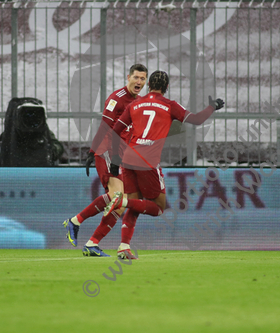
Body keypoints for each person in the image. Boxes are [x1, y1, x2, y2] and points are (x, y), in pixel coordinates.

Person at [103, 70, 224, 260]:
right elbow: (197, 120)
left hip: (128, 158)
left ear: (149, 85)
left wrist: (115, 162)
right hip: (148, 161)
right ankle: (121, 201)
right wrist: (212, 106)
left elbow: (116, 130)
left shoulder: (135, 104)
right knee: (158, 208)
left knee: (136, 205)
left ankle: (123, 247)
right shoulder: (169, 105)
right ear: (166, 88)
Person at [63, 63, 148, 257]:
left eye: (143, 79)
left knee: (120, 201)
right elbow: (105, 127)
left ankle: (87, 237)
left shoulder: (140, 102)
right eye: (136, 77)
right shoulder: (116, 99)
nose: (139, 82)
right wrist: (92, 151)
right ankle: (80, 227)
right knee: (119, 198)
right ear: (128, 77)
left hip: (124, 156)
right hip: (108, 151)